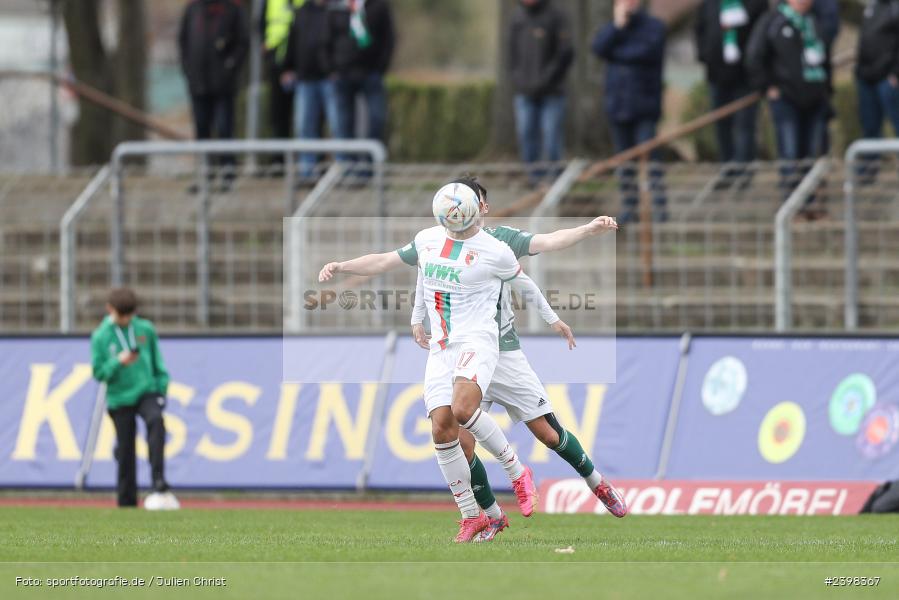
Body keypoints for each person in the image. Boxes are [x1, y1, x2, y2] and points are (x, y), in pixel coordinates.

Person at [319, 183, 627, 542]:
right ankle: (489, 515)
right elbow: (423, 275)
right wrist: (417, 316)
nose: (468, 209)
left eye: (476, 202)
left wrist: (588, 231)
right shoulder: (434, 240)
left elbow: (548, 242)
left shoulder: (500, 243)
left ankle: (597, 483)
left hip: (500, 349)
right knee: (458, 439)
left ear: (483, 206)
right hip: (455, 349)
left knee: (547, 433)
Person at [90, 288, 177, 510]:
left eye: (130, 314)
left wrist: (161, 389)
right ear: (111, 310)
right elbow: (99, 372)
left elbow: (159, 362)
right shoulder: (101, 336)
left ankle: (159, 481)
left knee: (156, 422)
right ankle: (127, 502)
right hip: (120, 397)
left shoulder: (145, 329)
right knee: (126, 448)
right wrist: (118, 361)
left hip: (147, 390)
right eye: (122, 315)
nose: (126, 319)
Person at [746, 0, 831, 205]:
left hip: (816, 98)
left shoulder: (814, 22)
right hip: (787, 99)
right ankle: (791, 205)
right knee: (790, 153)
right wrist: (767, 87)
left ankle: (811, 203)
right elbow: (754, 56)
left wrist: (827, 90)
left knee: (812, 154)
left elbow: (825, 59)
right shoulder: (772, 21)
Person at [592, 0, 667, 223]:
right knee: (625, 161)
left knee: (650, 159)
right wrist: (617, 27)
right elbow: (598, 48)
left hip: (644, 106)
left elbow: (644, 51)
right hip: (618, 106)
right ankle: (629, 205)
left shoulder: (654, 27)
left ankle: (659, 205)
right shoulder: (613, 28)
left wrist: (617, 51)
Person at [178, 0, 249, 189]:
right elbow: (183, 41)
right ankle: (205, 174)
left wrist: (230, 66)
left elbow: (243, 42)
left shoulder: (233, 9)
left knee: (225, 128)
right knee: (202, 130)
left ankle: (227, 174)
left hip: (223, 85)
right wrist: (188, 70)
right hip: (198, 83)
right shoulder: (193, 9)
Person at [695, 0, 767, 182]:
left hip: (745, 76)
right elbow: (700, 29)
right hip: (717, 74)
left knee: (744, 125)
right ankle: (727, 170)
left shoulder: (756, 4)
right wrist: (705, 55)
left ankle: (743, 172)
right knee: (722, 125)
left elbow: (762, 34)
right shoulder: (710, 4)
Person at [506, 0, 574, 177]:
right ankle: (535, 180)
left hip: (553, 93)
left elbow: (565, 53)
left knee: (552, 139)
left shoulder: (556, 16)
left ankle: (554, 183)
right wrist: (518, 79)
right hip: (525, 93)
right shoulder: (517, 17)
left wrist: (547, 78)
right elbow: (511, 55)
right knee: (526, 137)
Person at [331, 0, 394, 171]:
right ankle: (346, 170)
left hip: (371, 73)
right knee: (343, 125)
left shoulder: (378, 7)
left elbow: (388, 38)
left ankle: (369, 168)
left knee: (376, 120)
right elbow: (327, 38)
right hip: (342, 75)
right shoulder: (337, 8)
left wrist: (380, 67)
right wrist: (332, 68)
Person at [281, 0, 340, 181]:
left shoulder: (335, 11)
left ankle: (342, 172)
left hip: (330, 78)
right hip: (305, 79)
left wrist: (337, 69)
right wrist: (288, 68)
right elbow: (293, 41)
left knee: (337, 126)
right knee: (304, 127)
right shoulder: (302, 12)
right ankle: (308, 172)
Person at [855, 0, 899, 183]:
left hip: (888, 78)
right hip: (866, 77)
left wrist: (895, 73)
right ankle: (868, 172)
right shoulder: (872, 7)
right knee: (870, 126)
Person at [260, 0, 306, 162]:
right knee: (278, 114)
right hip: (277, 62)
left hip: (301, 64)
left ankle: (306, 162)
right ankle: (278, 160)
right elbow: (262, 24)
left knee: (305, 118)